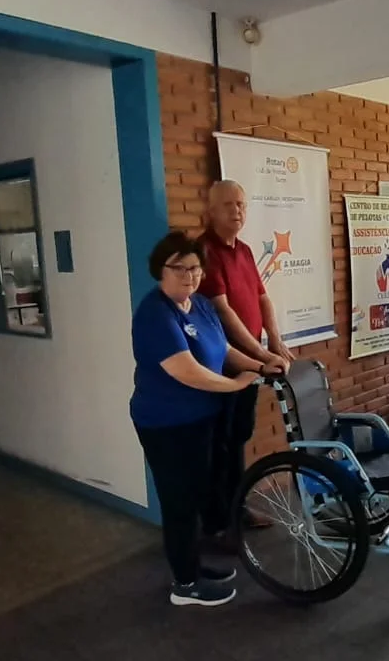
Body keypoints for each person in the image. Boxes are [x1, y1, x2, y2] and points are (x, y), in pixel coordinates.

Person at [130, 230, 286, 608]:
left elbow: (224, 349)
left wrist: (261, 364)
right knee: (179, 502)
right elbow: (186, 371)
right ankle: (185, 585)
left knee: (199, 493)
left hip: (202, 418)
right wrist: (235, 386)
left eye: (195, 268)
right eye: (179, 268)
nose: (190, 276)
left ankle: (193, 566)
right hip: (167, 424)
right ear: (160, 270)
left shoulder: (199, 304)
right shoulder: (155, 313)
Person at [198, 179, 291, 544]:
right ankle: (217, 523)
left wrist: (275, 341)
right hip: (221, 365)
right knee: (219, 443)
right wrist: (262, 354)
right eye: (228, 205)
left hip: (249, 363)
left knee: (238, 436)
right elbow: (222, 311)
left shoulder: (246, 250)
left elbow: (262, 298)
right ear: (211, 211)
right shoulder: (205, 251)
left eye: (241, 204)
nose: (237, 211)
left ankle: (237, 508)